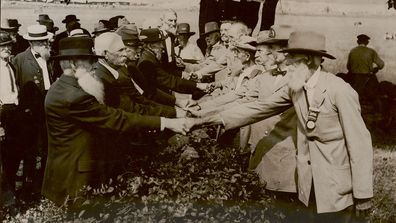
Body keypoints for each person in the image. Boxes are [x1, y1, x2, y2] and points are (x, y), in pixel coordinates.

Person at [187, 31, 373, 222]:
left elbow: (360, 144)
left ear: (308, 60)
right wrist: (204, 120)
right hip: (307, 186)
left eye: (291, 57)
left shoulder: (339, 90)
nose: (286, 62)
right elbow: (258, 108)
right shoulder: (295, 88)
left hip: (337, 189)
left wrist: (363, 194)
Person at [42, 36, 188, 207]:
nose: (94, 66)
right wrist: (166, 122)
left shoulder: (63, 87)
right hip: (75, 179)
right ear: (74, 64)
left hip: (68, 173)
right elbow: (117, 118)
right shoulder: (74, 97)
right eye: (90, 61)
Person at [12, 24, 55, 201]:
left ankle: (43, 181)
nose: (44, 44)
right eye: (40, 42)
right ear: (31, 43)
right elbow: (16, 86)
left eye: (45, 40)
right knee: (29, 148)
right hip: (30, 112)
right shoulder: (19, 60)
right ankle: (28, 184)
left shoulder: (50, 58)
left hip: (48, 107)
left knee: (47, 145)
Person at [137, 28, 210, 100]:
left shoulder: (149, 57)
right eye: (159, 43)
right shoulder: (146, 62)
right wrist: (197, 85)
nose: (162, 46)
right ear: (150, 46)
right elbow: (169, 80)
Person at [0, 31, 20, 207]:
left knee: (13, 155)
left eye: (8, 45)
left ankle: (11, 194)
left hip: (13, 112)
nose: (6, 49)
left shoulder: (10, 66)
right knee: (4, 158)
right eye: (2, 46)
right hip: (2, 115)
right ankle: (6, 201)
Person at [347, 34, 385, 121]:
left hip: (354, 78)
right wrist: (375, 69)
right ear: (367, 42)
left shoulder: (352, 51)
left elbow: (348, 67)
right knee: (377, 94)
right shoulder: (371, 51)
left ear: (357, 42)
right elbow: (381, 64)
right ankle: (379, 112)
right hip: (367, 78)